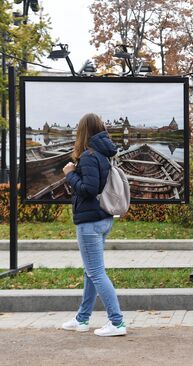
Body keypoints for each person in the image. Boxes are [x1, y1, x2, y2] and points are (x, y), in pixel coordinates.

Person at [61, 113, 126, 337]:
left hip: (89, 222)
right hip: (103, 219)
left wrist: (70, 175)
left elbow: (89, 189)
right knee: (91, 272)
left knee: (96, 273)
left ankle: (117, 322)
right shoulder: (104, 153)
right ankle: (82, 319)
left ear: (82, 131)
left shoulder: (89, 156)